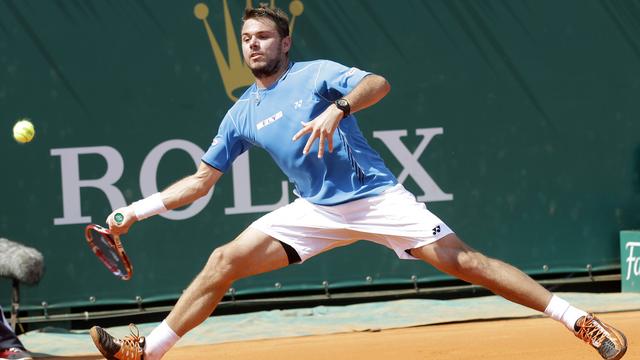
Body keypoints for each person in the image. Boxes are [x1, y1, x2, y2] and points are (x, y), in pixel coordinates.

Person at [89, 5, 628, 360]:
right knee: (222, 260)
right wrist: (134, 210)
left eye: (263, 37)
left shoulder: (315, 72)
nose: (253, 45)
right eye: (246, 38)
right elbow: (200, 182)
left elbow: (378, 82)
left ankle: (579, 320)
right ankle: (149, 352)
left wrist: (338, 110)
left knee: (468, 264)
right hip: (315, 211)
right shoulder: (242, 112)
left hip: (374, 198)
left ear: (285, 40)